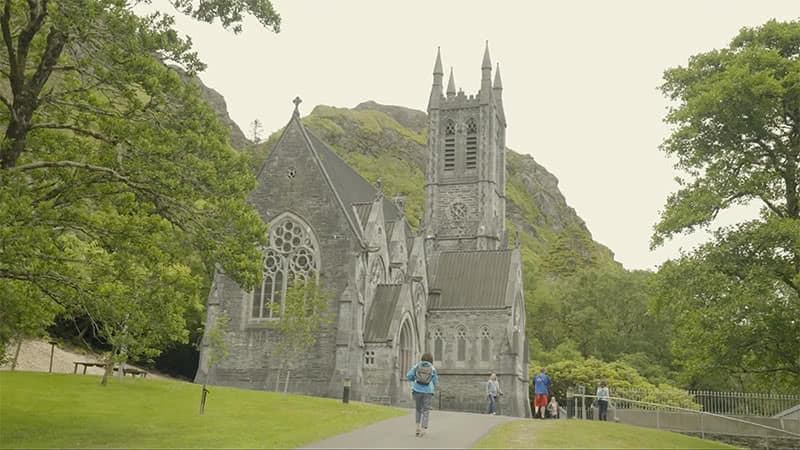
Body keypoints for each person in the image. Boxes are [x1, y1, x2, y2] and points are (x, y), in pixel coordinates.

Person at [407, 352, 438, 437]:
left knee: (418, 409)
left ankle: (417, 427)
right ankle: (423, 429)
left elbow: (409, 375)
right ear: (431, 360)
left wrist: (415, 379)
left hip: (417, 390)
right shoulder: (432, 368)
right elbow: (435, 381)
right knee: (426, 410)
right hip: (428, 391)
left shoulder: (417, 366)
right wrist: (431, 384)